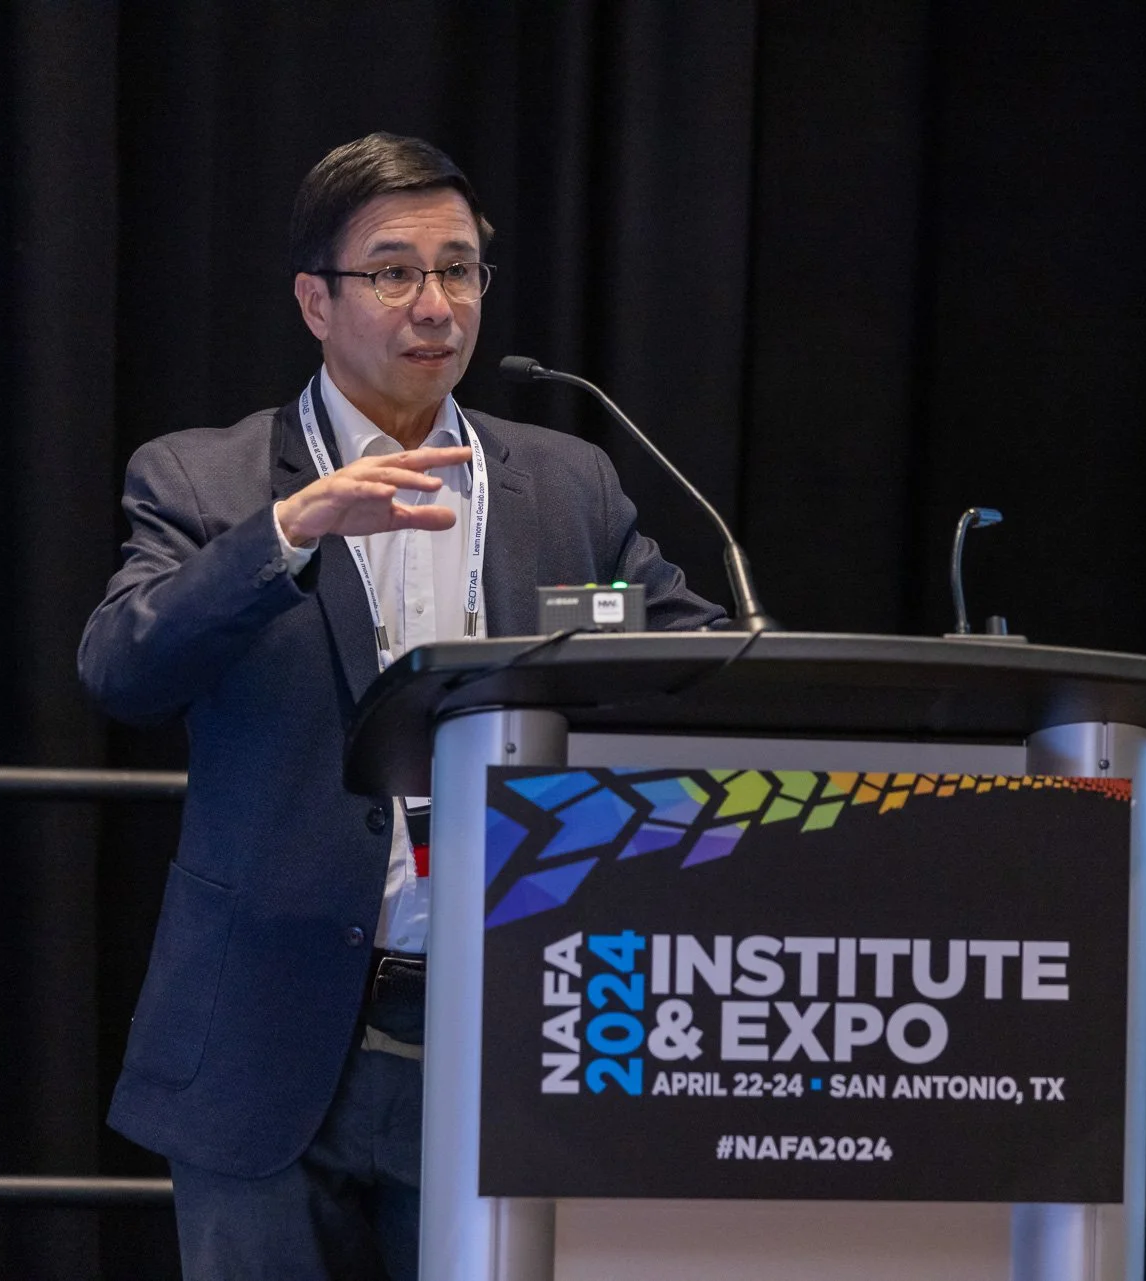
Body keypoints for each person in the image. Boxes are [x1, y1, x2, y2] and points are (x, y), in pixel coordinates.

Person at [78, 132, 721, 1280]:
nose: (436, 305)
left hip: (520, 1028)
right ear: (315, 301)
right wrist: (288, 534)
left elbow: (693, 658)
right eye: (394, 272)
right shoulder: (203, 479)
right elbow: (123, 669)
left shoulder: (568, 484)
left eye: (459, 269)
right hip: (265, 1040)